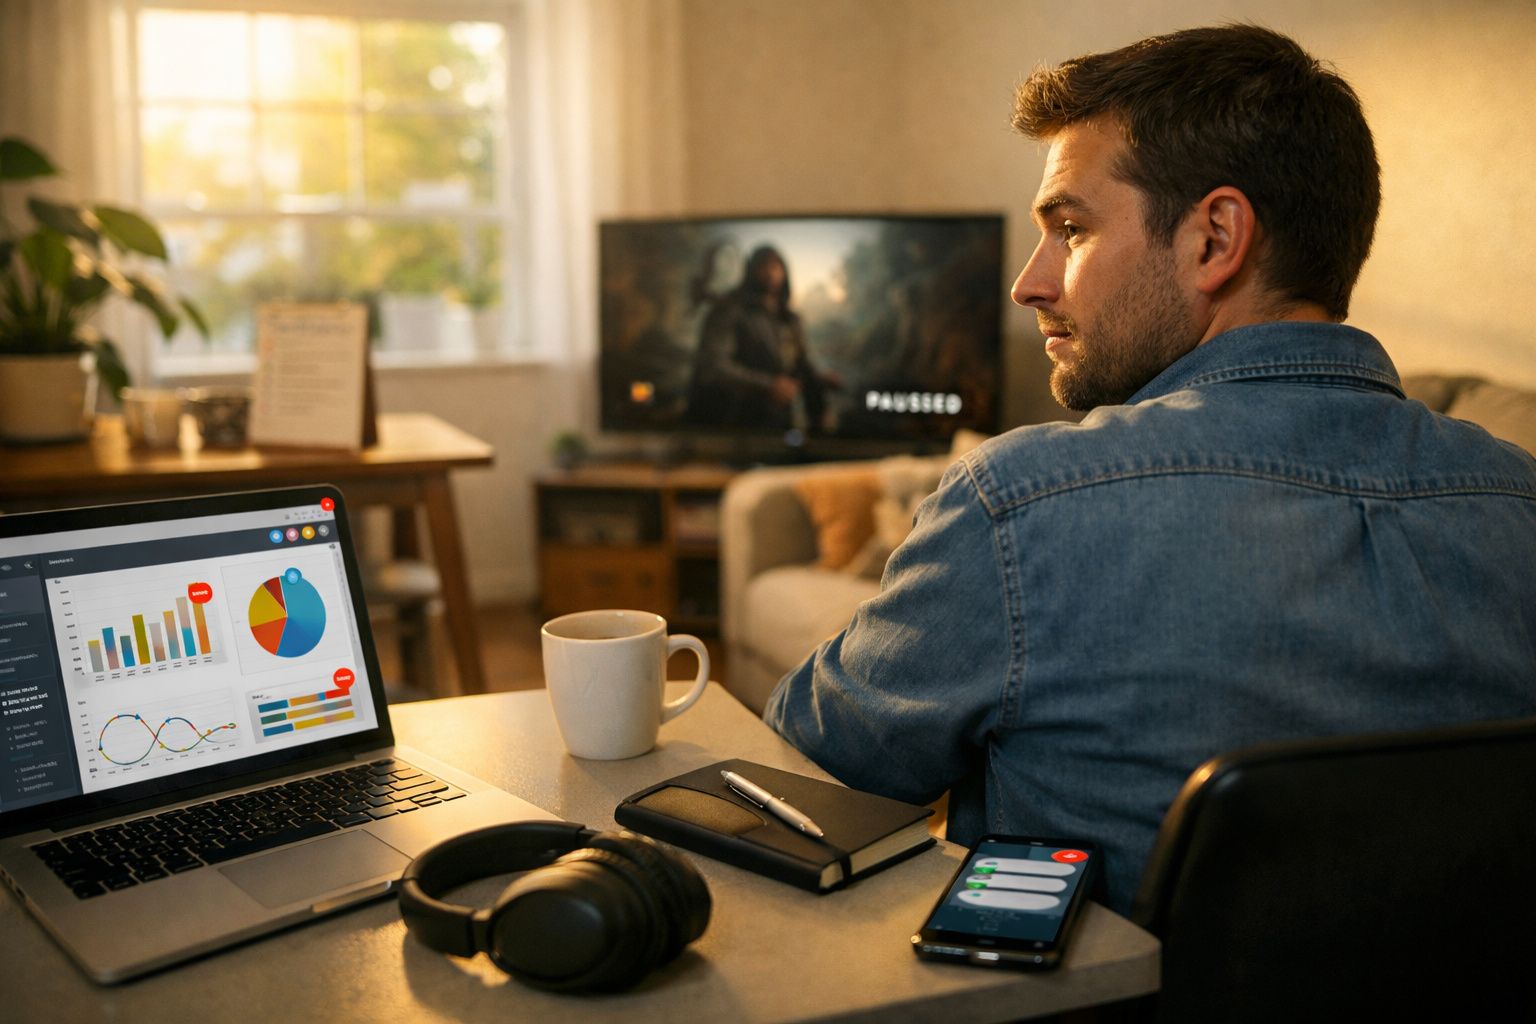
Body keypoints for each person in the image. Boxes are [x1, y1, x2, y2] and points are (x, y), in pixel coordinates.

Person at [762, 24, 1536, 915]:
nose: (1029, 282)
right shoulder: (1517, 500)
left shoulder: (1020, 507)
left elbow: (799, 778)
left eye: (1069, 229)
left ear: (1215, 239)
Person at [685, 245, 837, 433]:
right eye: (764, 266)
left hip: (779, 422)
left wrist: (818, 378)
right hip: (735, 422)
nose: (770, 273)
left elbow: (799, 361)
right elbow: (714, 367)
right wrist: (768, 386)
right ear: (752, 270)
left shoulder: (788, 318)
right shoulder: (729, 310)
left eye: (775, 266)